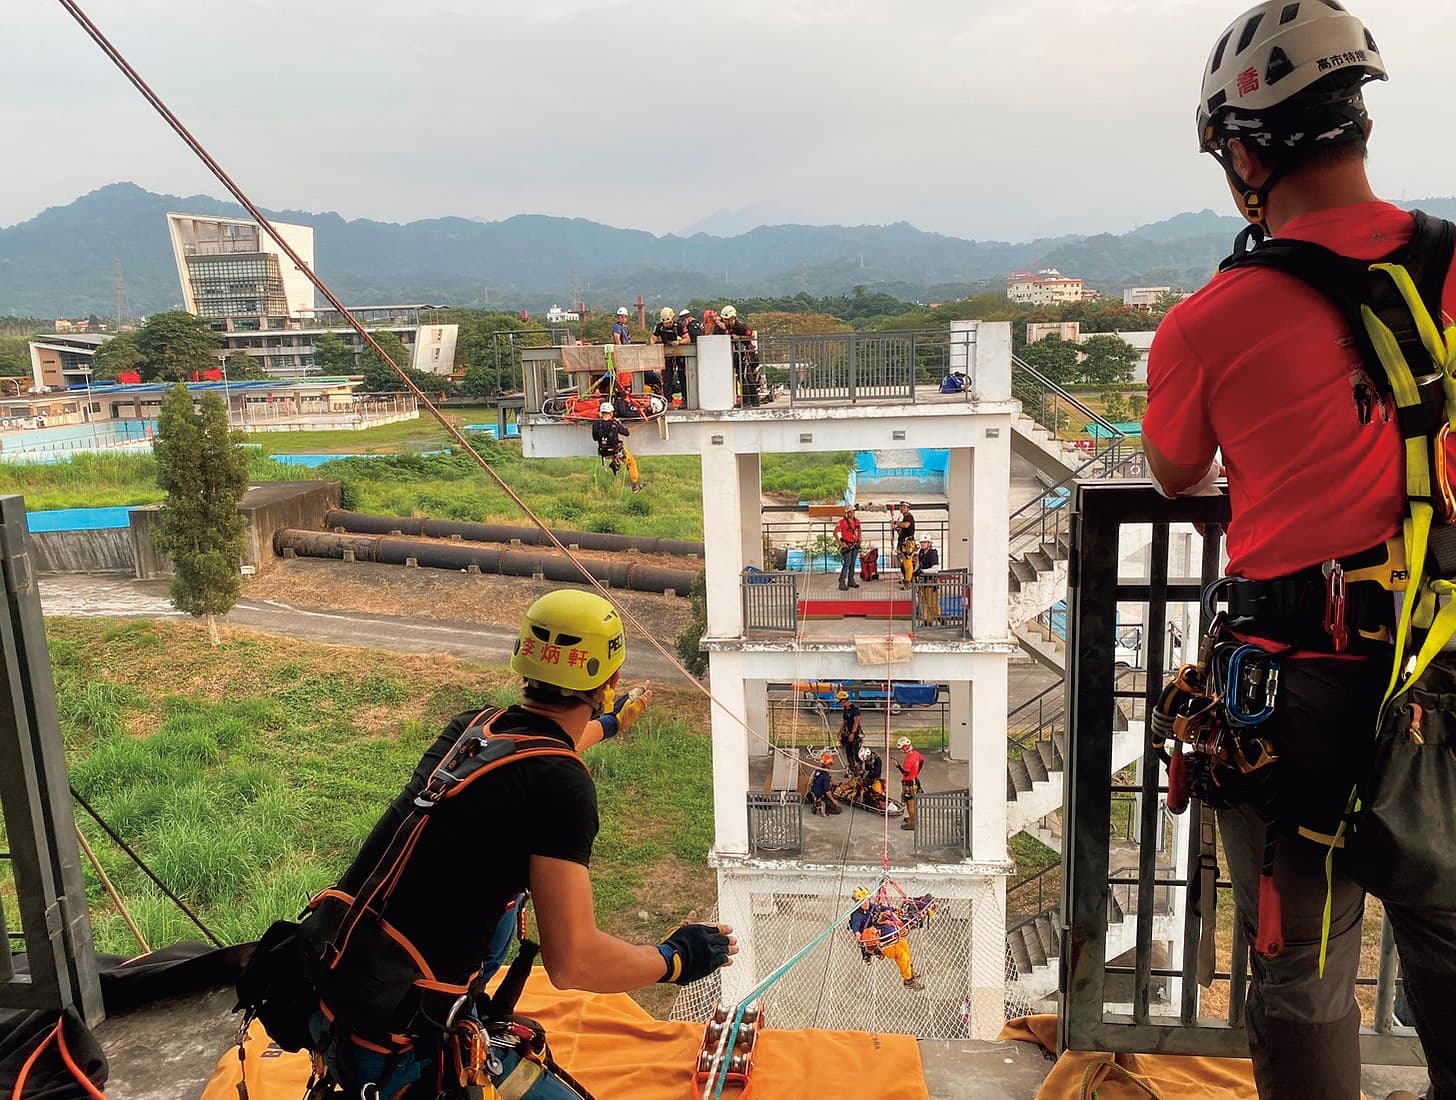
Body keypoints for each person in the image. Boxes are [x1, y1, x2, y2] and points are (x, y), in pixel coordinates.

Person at [1145, 6, 1456, 1098]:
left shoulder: (1209, 320)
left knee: (1302, 969)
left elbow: (1174, 468)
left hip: (1295, 696)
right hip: (1445, 677)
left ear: (1244, 150)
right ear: (1355, 124)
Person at [297, 591, 736, 1097]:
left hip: (341, 994)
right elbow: (574, 962)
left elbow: (538, 748)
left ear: (523, 659)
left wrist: (608, 725)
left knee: (500, 892)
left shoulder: (472, 728)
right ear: (610, 681)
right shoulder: (561, 784)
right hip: (407, 1045)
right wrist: (677, 956)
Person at [848, 887, 924, 991]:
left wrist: (894, 909)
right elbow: (855, 927)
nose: (865, 903)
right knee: (900, 954)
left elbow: (883, 908)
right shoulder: (856, 915)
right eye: (862, 902)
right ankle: (908, 980)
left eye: (867, 900)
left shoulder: (872, 907)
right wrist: (857, 934)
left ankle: (909, 971)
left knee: (904, 945)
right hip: (879, 944)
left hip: (886, 937)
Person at [590, 404, 643, 493]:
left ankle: (615, 463)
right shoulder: (615, 424)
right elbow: (626, 433)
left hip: (604, 453)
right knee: (631, 462)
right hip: (616, 451)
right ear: (611, 413)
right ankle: (635, 485)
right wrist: (619, 425)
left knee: (617, 456)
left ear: (601, 413)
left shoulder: (595, 424)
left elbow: (595, 438)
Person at [719, 305, 761, 407]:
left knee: (745, 377)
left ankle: (747, 401)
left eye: (726, 319)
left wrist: (739, 337)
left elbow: (752, 335)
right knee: (746, 377)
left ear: (732, 318)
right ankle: (753, 401)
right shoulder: (730, 327)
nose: (724, 321)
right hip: (739, 355)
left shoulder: (740, 326)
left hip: (746, 355)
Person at [650, 307, 686, 406]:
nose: (667, 325)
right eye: (665, 323)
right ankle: (668, 401)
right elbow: (653, 338)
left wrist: (679, 342)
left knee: (682, 377)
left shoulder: (679, 326)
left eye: (668, 323)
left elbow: (687, 338)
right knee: (667, 378)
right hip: (667, 355)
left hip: (680, 354)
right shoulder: (659, 327)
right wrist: (650, 343)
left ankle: (685, 399)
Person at [893, 736, 924, 833]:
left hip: (909, 783)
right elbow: (922, 761)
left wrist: (898, 766)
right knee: (912, 803)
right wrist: (916, 773)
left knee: (910, 804)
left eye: (902, 748)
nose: (901, 750)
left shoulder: (908, 759)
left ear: (905, 747)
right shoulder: (916, 754)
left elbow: (905, 773)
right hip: (914, 780)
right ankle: (911, 818)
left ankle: (912, 823)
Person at [913, 537, 940, 626]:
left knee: (931, 601)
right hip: (923, 581)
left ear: (929, 543)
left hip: (930, 580)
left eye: (924, 542)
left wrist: (923, 571)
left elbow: (935, 569)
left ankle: (939, 617)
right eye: (921, 542)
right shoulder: (921, 553)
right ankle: (926, 621)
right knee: (924, 601)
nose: (922, 544)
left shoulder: (932, 553)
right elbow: (919, 564)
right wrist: (915, 572)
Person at [834, 505, 862, 592]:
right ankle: (842, 582)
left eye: (853, 512)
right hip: (847, 545)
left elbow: (859, 528)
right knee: (847, 563)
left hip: (855, 545)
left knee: (852, 563)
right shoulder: (842, 522)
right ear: (847, 513)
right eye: (850, 512)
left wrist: (860, 538)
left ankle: (851, 580)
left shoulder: (856, 521)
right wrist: (841, 543)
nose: (852, 513)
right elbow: (835, 533)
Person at [808, 751, 843, 816]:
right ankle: (821, 806)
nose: (831, 765)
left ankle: (818, 804)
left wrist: (836, 784)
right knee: (838, 810)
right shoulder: (825, 776)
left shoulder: (818, 771)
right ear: (828, 764)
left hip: (815, 794)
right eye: (830, 764)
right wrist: (833, 800)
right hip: (822, 796)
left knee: (832, 787)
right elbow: (828, 792)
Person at [837, 691, 863, 772]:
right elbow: (844, 721)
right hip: (847, 734)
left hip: (854, 734)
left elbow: (856, 722)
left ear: (844, 700)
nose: (840, 704)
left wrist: (852, 733)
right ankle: (852, 768)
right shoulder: (845, 709)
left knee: (856, 752)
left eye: (840, 702)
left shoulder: (855, 709)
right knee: (848, 751)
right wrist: (839, 731)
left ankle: (859, 768)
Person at [892, 503, 917, 587]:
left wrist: (896, 523)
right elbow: (904, 528)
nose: (902, 509)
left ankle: (908, 581)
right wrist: (898, 528)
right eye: (901, 507)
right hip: (904, 542)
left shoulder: (909, 517)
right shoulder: (905, 518)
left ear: (908, 509)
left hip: (907, 543)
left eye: (904, 507)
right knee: (904, 562)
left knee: (907, 562)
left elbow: (906, 525)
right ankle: (907, 578)